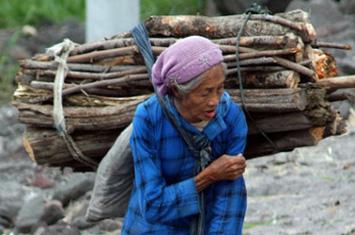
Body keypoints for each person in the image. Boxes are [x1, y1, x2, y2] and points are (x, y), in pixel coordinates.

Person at [121, 35, 248, 234]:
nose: (215, 100)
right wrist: (208, 176)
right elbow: (154, 207)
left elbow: (228, 198)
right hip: (152, 228)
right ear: (177, 91)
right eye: (206, 93)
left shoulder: (231, 118)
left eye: (220, 89)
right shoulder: (149, 119)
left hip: (206, 224)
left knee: (234, 177)